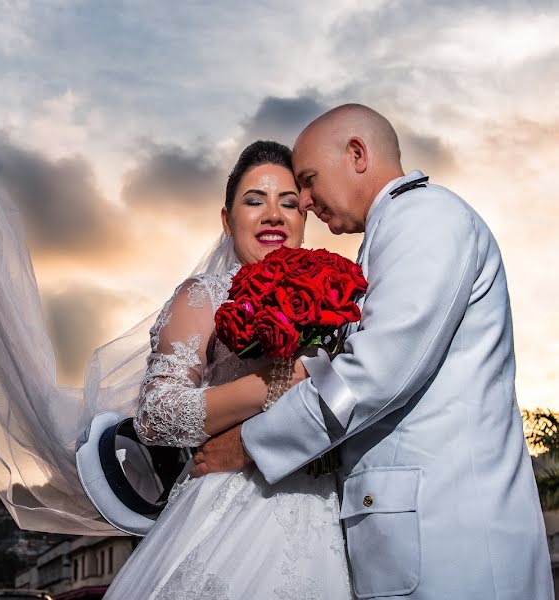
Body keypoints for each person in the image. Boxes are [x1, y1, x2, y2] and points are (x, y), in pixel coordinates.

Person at [193, 104, 553, 599]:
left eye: (310, 180)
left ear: (357, 154)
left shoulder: (425, 216)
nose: (307, 200)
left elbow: (372, 376)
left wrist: (252, 443)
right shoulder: (394, 229)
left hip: (451, 545)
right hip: (410, 538)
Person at [102, 140, 352, 600]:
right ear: (226, 219)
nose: (274, 215)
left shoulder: (341, 301)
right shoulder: (206, 296)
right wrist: (278, 381)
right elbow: (157, 415)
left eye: (290, 202)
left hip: (332, 511)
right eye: (254, 200)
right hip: (229, 510)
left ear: (304, 217)